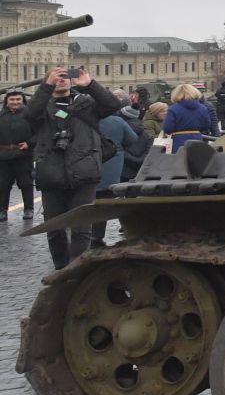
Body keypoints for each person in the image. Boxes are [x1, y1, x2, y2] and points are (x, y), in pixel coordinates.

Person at [24, 68, 121, 268]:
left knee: (81, 227)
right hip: (51, 174)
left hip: (84, 172)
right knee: (55, 228)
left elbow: (112, 105)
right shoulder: (43, 107)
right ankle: (60, 268)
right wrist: (46, 86)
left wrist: (90, 84)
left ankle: (76, 269)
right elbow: (30, 114)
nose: (62, 81)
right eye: (56, 78)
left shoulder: (86, 104)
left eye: (65, 78)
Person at [94, 109, 142, 249]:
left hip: (84, 164)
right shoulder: (117, 121)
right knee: (106, 199)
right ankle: (97, 235)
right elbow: (132, 139)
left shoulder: (80, 119)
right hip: (112, 164)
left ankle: (86, 235)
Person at [1, 89, 33, 223]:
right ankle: (2, 210)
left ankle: (28, 208)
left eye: (18, 99)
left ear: (22, 100)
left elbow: (39, 133)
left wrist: (29, 143)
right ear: (7, 102)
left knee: (25, 183)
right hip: (3, 156)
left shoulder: (30, 115)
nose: (15, 102)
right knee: (2, 185)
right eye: (12, 100)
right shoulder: (1, 116)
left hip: (23, 155)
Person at [162, 83, 218, 148]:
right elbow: (206, 126)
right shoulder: (203, 108)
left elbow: (167, 128)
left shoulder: (173, 109)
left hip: (179, 141)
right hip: (198, 139)